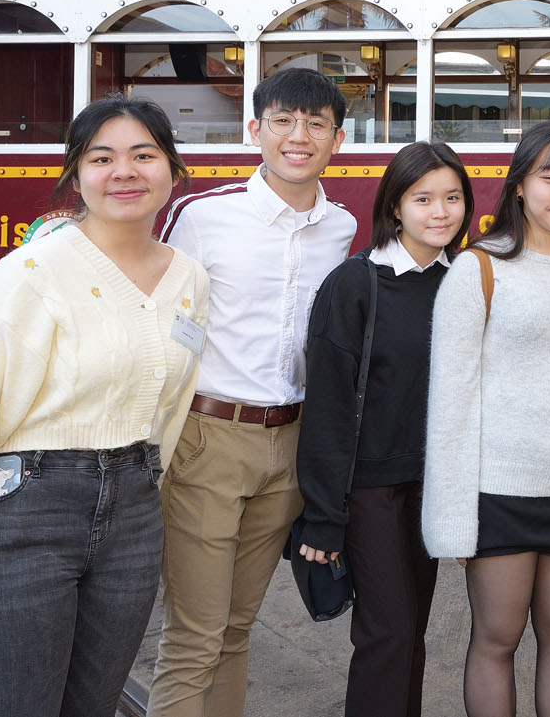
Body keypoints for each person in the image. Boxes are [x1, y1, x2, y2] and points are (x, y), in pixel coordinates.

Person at [0, 96, 209, 716]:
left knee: (93, 706)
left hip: (134, 515)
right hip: (24, 513)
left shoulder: (188, 277)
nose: (124, 171)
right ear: (76, 177)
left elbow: (171, 401)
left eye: (144, 155)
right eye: (101, 158)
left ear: (172, 169)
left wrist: (145, 483)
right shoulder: (30, 273)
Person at [150, 68, 355, 717]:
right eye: (283, 121)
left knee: (236, 628)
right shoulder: (204, 217)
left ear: (338, 140)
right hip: (208, 438)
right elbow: (159, 326)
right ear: (255, 130)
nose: (299, 136)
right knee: (195, 636)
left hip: (291, 444)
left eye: (316, 123)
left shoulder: (341, 228)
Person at [424, 119, 550, 717]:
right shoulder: (478, 269)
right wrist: (452, 517)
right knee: (497, 637)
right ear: (519, 185)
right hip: (499, 491)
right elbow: (451, 401)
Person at [296, 141, 473, 716]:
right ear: (395, 205)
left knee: (410, 631)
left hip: (432, 487)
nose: (440, 212)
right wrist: (323, 517)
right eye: (423, 198)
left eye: (452, 198)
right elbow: (327, 405)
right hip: (370, 489)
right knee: (387, 632)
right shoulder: (355, 283)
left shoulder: (464, 281)